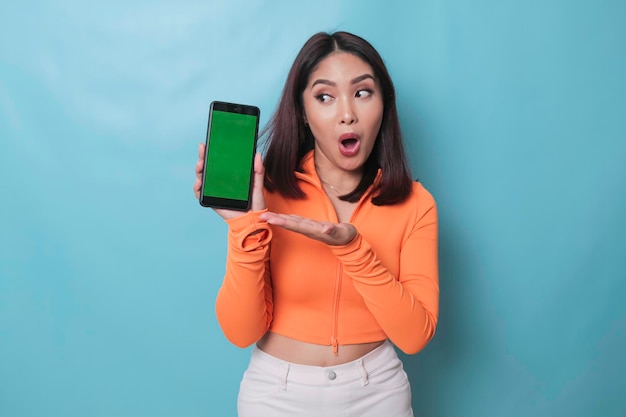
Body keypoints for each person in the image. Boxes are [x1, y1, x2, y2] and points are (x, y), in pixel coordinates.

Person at [193, 31, 438, 417]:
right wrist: (244, 228)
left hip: (377, 395)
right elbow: (241, 332)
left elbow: (415, 335)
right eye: (324, 96)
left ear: (384, 105)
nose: (347, 113)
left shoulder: (415, 203)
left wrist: (352, 249)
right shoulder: (268, 194)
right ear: (303, 112)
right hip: (276, 395)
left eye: (362, 93)